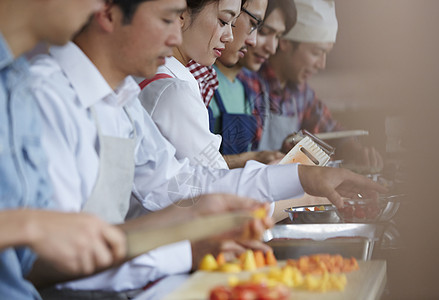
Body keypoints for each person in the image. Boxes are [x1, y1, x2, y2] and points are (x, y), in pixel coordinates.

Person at [29, 0, 386, 297]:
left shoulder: (123, 103)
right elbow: (49, 262)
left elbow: (180, 182)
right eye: (168, 18)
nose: (175, 35)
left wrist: (304, 177)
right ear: (107, 12)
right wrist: (186, 249)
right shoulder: (46, 97)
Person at [0, 0, 129, 299]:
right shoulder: (43, 86)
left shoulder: (18, 84)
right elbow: (37, 229)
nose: (100, 6)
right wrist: (29, 226)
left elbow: (32, 260)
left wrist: (191, 222)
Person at [239, 0, 384, 172]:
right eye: (316, 52)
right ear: (285, 42)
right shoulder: (249, 82)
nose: (321, 64)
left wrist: (354, 150)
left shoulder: (301, 93)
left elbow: (331, 131)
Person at [209, 0, 297, 168]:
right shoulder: (202, 80)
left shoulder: (251, 89)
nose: (271, 48)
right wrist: (254, 158)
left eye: (278, 36)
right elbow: (193, 167)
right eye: (262, 30)